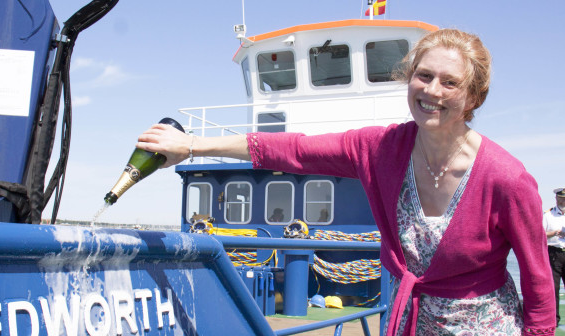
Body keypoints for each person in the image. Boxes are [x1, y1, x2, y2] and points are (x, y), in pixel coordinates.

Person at [136, 29, 555, 335]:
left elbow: (538, 285)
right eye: (423, 76)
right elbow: (293, 150)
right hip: (410, 322)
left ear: (474, 98)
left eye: (450, 83)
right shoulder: (381, 148)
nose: (432, 90)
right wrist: (191, 144)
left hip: (485, 327)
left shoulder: (506, 178)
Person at [544, 187, 565, 325]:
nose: (563, 201)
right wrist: (555, 233)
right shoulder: (548, 215)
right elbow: (540, 234)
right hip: (554, 253)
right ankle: (554, 319)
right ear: (556, 198)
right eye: (561, 198)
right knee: (554, 287)